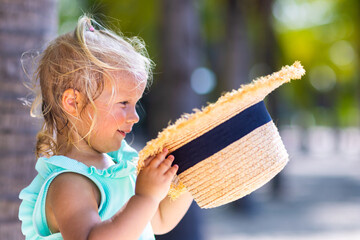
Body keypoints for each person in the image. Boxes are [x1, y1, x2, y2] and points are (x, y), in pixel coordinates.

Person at [18, 15, 193, 240]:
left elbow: (158, 220)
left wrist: (189, 178)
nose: (135, 117)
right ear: (73, 102)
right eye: (123, 103)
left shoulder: (119, 166)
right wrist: (146, 197)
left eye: (135, 103)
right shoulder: (68, 183)